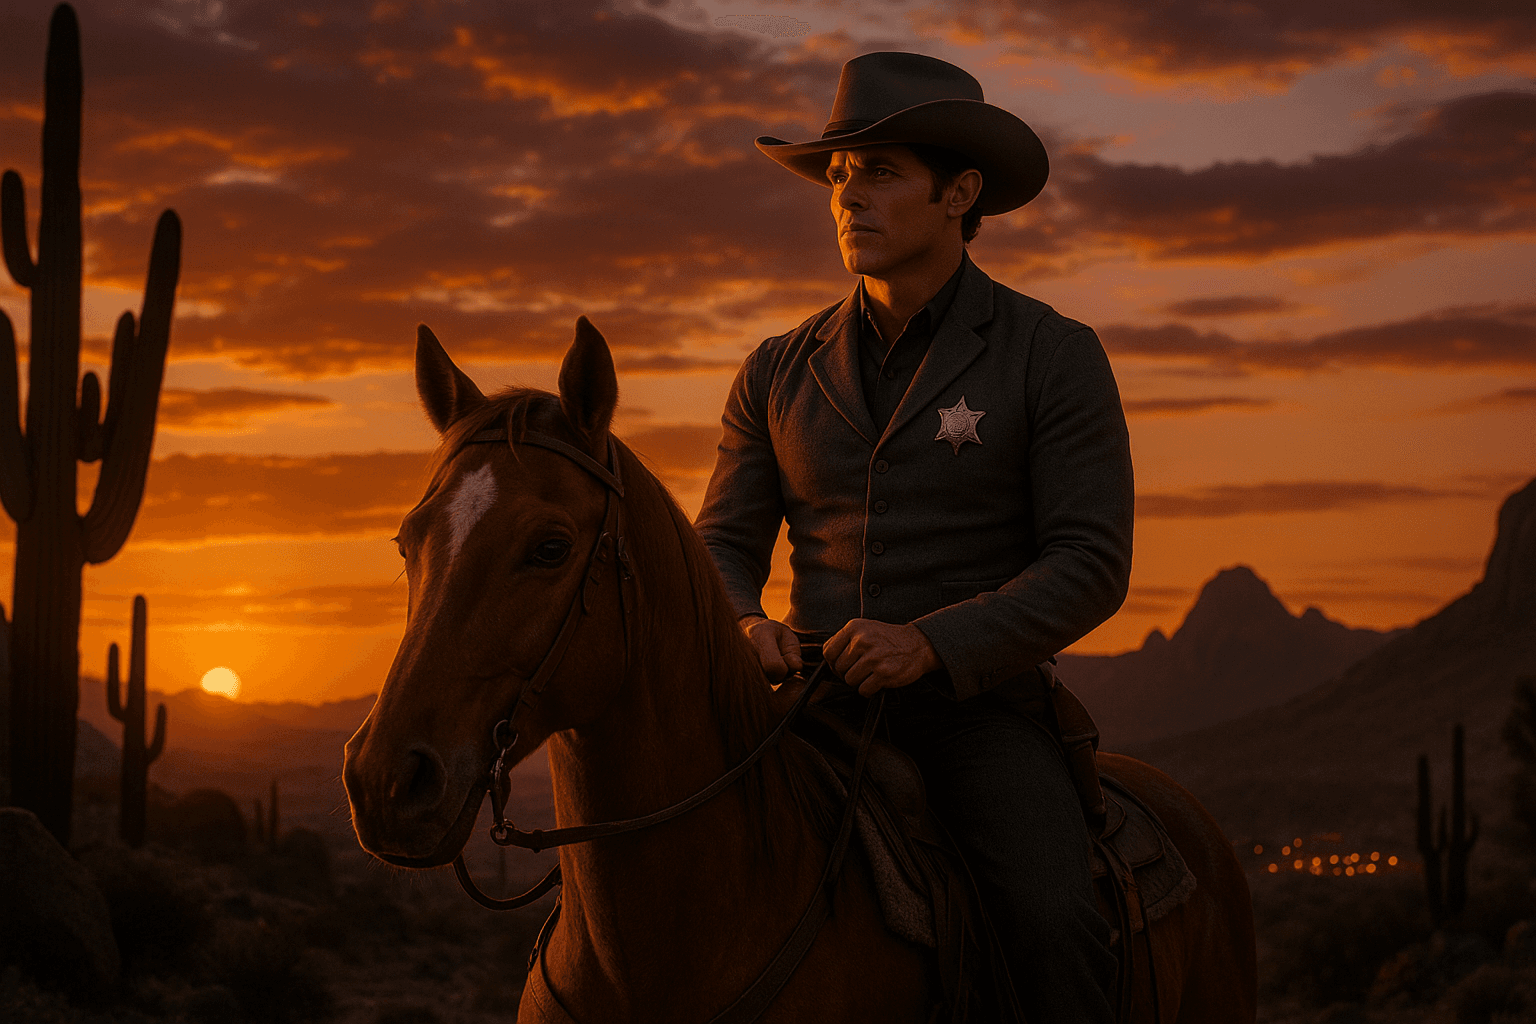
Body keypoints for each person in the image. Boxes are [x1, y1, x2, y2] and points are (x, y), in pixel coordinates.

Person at [693, 51, 1132, 1020]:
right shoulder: (775, 371)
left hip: (978, 716)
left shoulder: (1051, 357)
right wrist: (737, 620)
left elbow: (1091, 563)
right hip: (804, 705)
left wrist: (930, 642)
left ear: (959, 192)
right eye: (840, 175)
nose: (849, 196)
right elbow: (721, 545)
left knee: (1054, 923)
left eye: (881, 170)